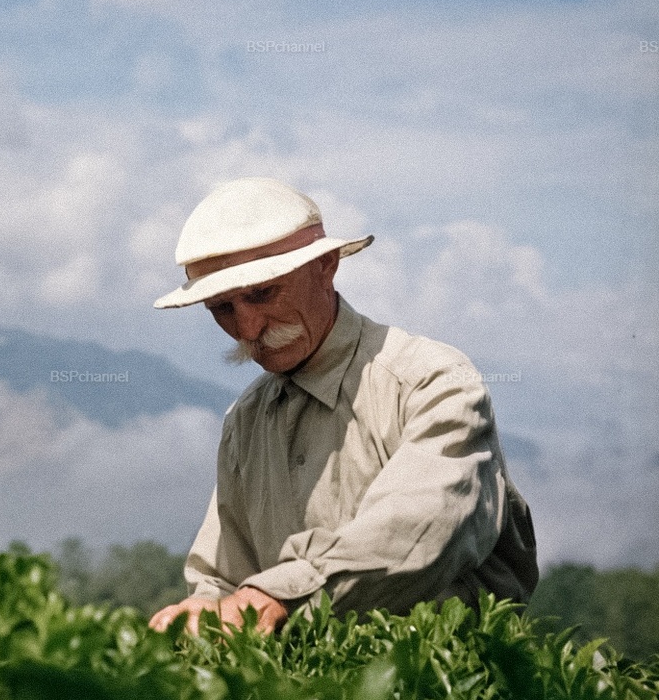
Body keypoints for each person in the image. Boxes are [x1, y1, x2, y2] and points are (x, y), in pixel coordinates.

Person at [147, 178, 538, 635]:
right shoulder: (247, 420)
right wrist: (200, 617)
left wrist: (277, 594)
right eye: (221, 308)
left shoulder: (430, 380)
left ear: (325, 266)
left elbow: (421, 528)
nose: (248, 327)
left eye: (262, 294)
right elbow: (221, 577)